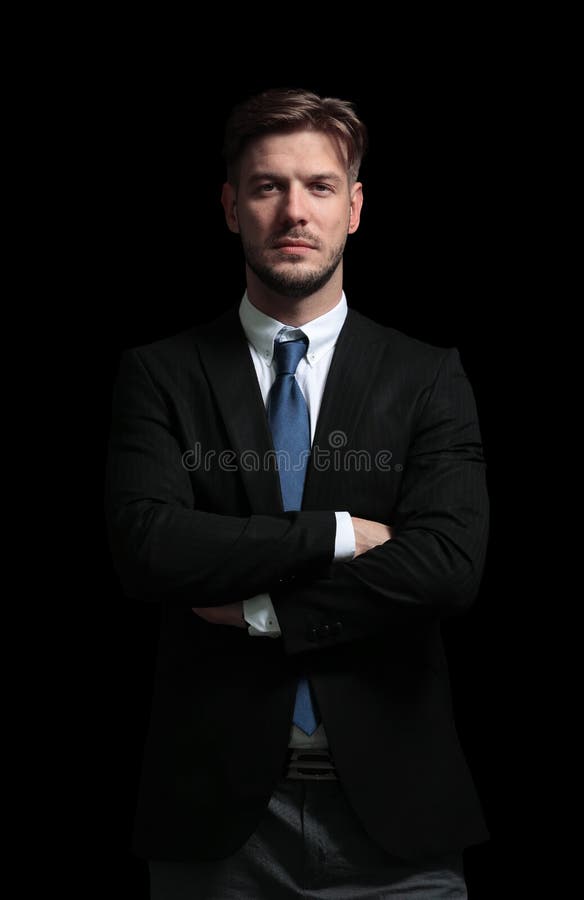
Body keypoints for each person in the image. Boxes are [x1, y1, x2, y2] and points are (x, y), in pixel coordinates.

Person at [105, 87, 489, 899]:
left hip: (396, 819)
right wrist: (342, 531)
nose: (293, 211)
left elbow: (448, 566)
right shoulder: (162, 375)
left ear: (354, 208)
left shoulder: (426, 377)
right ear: (230, 206)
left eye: (318, 187)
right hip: (214, 826)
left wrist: (259, 611)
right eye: (267, 186)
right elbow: (148, 548)